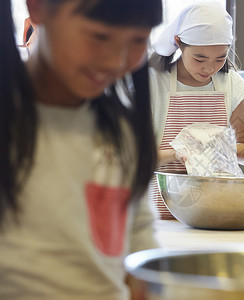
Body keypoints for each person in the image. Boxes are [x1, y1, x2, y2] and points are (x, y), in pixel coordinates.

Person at [0, 0, 162, 298]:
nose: (115, 61)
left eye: (138, 39)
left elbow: (139, 239)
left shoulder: (122, 133)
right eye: (99, 36)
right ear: (38, 8)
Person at [148, 1, 244, 219]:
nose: (209, 68)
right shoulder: (154, 83)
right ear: (178, 43)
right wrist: (176, 154)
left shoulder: (230, 83)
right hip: (160, 210)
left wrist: (218, 152)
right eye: (199, 58)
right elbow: (134, 155)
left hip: (216, 208)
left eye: (220, 59)